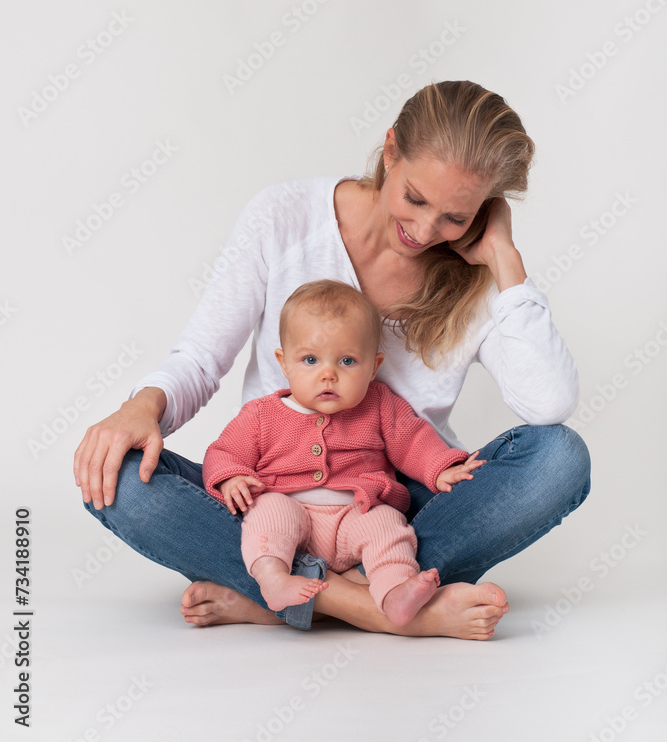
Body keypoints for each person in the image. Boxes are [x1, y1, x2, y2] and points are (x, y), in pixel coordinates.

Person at [74, 80, 591, 640]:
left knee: (559, 458)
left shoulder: (477, 276)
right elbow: (200, 360)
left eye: (456, 218)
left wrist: (504, 260)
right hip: (273, 499)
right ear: (391, 150)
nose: (424, 232)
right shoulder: (285, 216)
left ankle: (283, 596)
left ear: (485, 211)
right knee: (120, 478)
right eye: (415, 198)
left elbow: (550, 403)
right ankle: (368, 605)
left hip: (392, 507)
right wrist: (144, 407)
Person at [204, 279, 486, 626]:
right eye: (310, 359)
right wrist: (231, 476)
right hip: (294, 512)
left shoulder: (379, 404)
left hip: (357, 511)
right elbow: (224, 451)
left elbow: (412, 440)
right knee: (267, 512)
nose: (328, 375)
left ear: (373, 366)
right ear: (283, 363)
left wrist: (440, 468)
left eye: (347, 361)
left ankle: (394, 592)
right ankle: (274, 580)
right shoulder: (263, 414)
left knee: (387, 526)